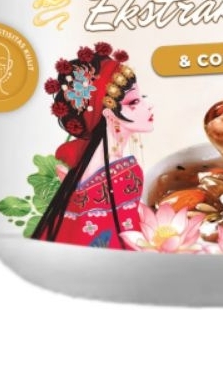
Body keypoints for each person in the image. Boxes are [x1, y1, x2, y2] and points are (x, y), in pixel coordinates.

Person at [33, 43, 154, 249]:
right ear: (108, 113)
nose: (148, 106)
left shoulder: (96, 166)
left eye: (141, 98)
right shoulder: (111, 172)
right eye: (134, 102)